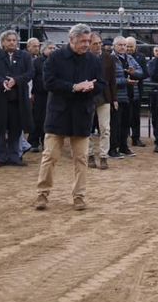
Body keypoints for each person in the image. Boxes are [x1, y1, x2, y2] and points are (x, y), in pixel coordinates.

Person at [35, 24, 105, 211]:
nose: (86, 44)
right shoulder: (55, 57)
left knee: (81, 159)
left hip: (82, 114)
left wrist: (92, 87)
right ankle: (42, 194)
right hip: (58, 114)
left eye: (88, 41)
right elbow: (48, 82)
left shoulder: (94, 60)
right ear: (71, 39)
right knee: (50, 156)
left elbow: (102, 84)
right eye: (82, 41)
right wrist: (74, 87)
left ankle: (79, 196)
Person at [0, 30, 33, 167]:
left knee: (16, 128)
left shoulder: (25, 56)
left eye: (14, 40)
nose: (12, 42)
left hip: (18, 99)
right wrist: (2, 82)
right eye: (9, 40)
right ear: (2, 42)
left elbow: (30, 73)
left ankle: (15, 156)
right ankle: (0, 157)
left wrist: (16, 80)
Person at [86, 34, 116, 169]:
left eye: (99, 43)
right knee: (87, 128)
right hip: (87, 96)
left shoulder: (108, 57)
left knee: (105, 128)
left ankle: (104, 156)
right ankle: (90, 154)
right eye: (95, 43)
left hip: (104, 96)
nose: (98, 46)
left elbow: (112, 80)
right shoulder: (84, 57)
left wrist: (114, 98)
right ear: (89, 44)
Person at [111, 36, 143, 158]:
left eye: (124, 45)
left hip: (130, 95)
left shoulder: (130, 58)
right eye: (120, 45)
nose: (123, 47)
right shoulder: (111, 59)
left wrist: (133, 72)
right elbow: (110, 79)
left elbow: (141, 72)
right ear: (114, 46)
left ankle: (124, 146)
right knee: (115, 124)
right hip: (117, 96)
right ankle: (113, 148)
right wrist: (125, 81)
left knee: (126, 123)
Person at [28, 41, 55, 152]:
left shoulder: (56, 61)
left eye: (53, 48)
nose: (52, 50)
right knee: (36, 118)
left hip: (52, 94)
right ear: (44, 49)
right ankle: (33, 142)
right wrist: (31, 93)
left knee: (49, 119)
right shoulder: (36, 62)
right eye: (50, 48)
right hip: (38, 95)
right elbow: (31, 78)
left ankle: (45, 142)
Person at [125, 37, 147, 146]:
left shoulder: (141, 57)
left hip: (137, 89)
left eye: (131, 46)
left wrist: (135, 74)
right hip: (124, 89)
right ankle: (123, 138)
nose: (129, 48)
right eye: (127, 46)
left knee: (136, 114)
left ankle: (136, 138)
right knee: (124, 115)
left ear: (135, 47)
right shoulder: (120, 57)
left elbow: (145, 74)